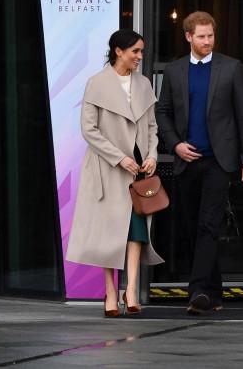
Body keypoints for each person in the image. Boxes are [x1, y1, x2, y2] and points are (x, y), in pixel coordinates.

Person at [156, 10, 243, 313]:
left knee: (208, 225)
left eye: (211, 35)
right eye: (201, 36)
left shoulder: (230, 68)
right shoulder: (174, 70)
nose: (207, 41)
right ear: (188, 36)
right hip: (187, 160)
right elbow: (162, 112)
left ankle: (198, 291)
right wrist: (175, 145)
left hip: (219, 160)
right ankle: (214, 292)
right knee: (191, 227)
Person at [67, 29, 163, 317]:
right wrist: (119, 158)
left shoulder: (144, 84)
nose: (139, 57)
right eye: (135, 51)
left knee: (135, 233)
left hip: (139, 170)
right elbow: (89, 130)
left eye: (141, 51)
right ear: (118, 51)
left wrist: (152, 155)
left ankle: (131, 289)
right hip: (108, 168)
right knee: (108, 235)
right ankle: (110, 291)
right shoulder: (96, 83)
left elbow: (151, 127)